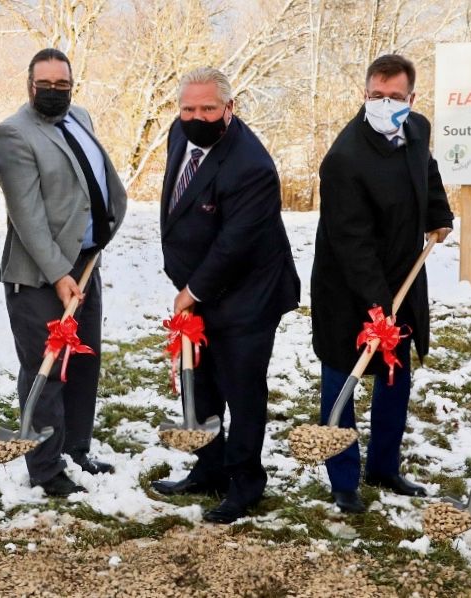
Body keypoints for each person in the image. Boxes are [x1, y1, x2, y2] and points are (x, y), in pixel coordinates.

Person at [150, 67, 300, 524]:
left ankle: (245, 482)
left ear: (229, 109)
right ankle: (209, 467)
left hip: (249, 293)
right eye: (189, 108)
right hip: (202, 288)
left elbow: (235, 244)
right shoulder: (181, 133)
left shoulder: (251, 166)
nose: (197, 117)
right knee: (203, 382)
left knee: (242, 389)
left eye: (208, 109)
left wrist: (191, 291)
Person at [311, 54, 454, 515]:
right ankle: (344, 478)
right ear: (364, 94)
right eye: (377, 95)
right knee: (343, 377)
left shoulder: (417, 130)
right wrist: (379, 305)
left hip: (402, 277)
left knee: (395, 374)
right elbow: (352, 243)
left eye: (395, 97)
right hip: (348, 287)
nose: (385, 103)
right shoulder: (343, 159)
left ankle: (385, 466)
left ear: (412, 99)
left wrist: (438, 214)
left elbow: (425, 172)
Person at [0, 48, 127, 497]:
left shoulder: (81, 117)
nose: (54, 91)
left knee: (84, 361)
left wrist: (97, 243)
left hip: (85, 263)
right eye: (45, 84)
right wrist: (58, 274)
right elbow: (26, 216)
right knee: (44, 369)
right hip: (39, 275)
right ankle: (46, 469)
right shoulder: (14, 133)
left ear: (73, 86)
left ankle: (76, 449)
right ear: (29, 85)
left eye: (62, 84)